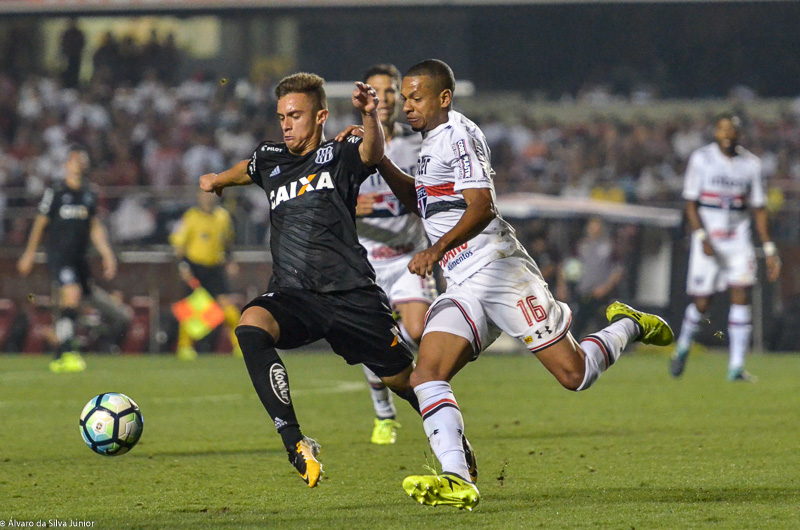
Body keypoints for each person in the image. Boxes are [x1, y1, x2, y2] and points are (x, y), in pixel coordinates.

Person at [374, 59, 674, 510]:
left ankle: (628, 325)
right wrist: (380, 160)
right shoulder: (429, 142)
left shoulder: (459, 134)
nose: (408, 106)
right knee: (426, 375)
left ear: (444, 98)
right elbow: (422, 202)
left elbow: (483, 206)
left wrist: (435, 250)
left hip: (499, 270)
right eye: (405, 98)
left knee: (574, 375)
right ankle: (457, 477)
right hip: (463, 283)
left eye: (416, 97)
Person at [197, 73, 424, 489]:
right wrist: (218, 180)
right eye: (282, 116)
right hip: (295, 295)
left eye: (295, 116)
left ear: (320, 116)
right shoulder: (271, 157)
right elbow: (248, 169)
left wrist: (369, 115)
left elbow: (373, 153)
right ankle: (295, 442)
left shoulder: (340, 153)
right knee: (250, 326)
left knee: (405, 382)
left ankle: (453, 439)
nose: (286, 125)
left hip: (351, 295)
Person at [355, 64, 436, 445]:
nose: (384, 99)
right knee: (373, 341)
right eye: (376, 92)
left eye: (390, 91)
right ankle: (384, 414)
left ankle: (394, 359)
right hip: (366, 261)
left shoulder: (418, 142)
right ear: (363, 99)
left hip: (408, 257)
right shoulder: (350, 144)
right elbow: (328, 196)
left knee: (417, 331)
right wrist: (353, 206)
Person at [670, 114, 781, 382]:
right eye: (723, 129)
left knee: (741, 294)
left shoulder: (751, 165)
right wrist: (701, 236)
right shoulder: (701, 159)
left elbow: (759, 208)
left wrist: (768, 248)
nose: (728, 134)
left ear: (740, 134)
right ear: (716, 133)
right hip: (708, 239)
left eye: (732, 129)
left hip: (738, 240)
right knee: (703, 302)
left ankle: (736, 366)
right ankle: (683, 346)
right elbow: (691, 203)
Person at [17, 146, 117, 373]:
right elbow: (40, 223)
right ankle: (67, 352)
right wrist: (29, 253)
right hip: (59, 256)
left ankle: (60, 352)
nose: (78, 163)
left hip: (80, 258)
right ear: (66, 165)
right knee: (72, 294)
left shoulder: (90, 193)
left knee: (75, 303)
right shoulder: (56, 192)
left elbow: (94, 226)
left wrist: (107, 253)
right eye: (74, 159)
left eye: (81, 160)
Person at [169, 190, 241, 360]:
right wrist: (183, 266)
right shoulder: (190, 217)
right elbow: (179, 245)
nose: (208, 198)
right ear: (199, 197)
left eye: (211, 194)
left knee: (228, 309)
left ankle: (240, 346)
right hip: (195, 268)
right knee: (191, 310)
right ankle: (184, 347)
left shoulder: (223, 217)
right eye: (205, 194)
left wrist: (230, 261)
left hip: (215, 268)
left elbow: (228, 242)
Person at [569, 217, 625, 340]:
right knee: (577, 326)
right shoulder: (582, 245)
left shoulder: (609, 246)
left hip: (601, 294)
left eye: (597, 225)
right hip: (583, 293)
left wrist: (606, 287)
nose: (594, 229)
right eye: (592, 225)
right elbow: (571, 266)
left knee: (603, 327)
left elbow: (618, 269)